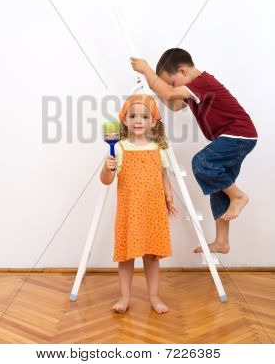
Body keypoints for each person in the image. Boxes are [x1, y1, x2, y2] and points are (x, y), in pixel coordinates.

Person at [130, 49, 257, 255]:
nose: (170, 87)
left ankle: (239, 197)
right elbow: (174, 104)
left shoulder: (202, 82)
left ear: (182, 71)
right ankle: (222, 242)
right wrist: (155, 87)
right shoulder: (191, 91)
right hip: (233, 138)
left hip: (239, 135)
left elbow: (171, 93)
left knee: (201, 162)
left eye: (171, 82)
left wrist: (147, 71)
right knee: (217, 189)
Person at [100, 94, 178, 313]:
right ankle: (124, 298)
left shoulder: (158, 149)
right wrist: (108, 168)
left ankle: (154, 297)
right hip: (129, 211)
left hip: (153, 211)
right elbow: (107, 180)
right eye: (132, 115)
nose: (138, 120)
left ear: (153, 121)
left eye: (144, 116)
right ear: (123, 119)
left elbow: (164, 177)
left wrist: (169, 198)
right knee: (126, 257)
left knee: (152, 257)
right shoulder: (120, 149)